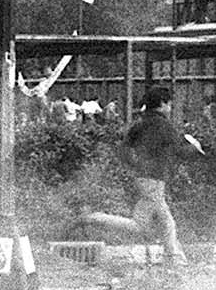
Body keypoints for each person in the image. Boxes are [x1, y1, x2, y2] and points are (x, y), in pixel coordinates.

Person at [71, 85, 203, 264]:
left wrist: (136, 165)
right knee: (139, 226)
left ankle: (175, 259)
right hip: (155, 179)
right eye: (169, 104)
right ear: (162, 104)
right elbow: (178, 152)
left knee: (167, 223)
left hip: (143, 177)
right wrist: (194, 148)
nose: (170, 108)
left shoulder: (139, 124)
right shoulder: (164, 126)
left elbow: (124, 149)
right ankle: (93, 218)